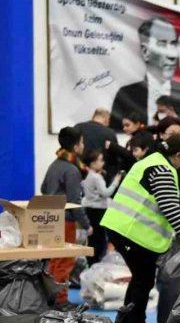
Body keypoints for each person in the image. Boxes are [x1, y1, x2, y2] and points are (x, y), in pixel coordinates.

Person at [102, 135, 180, 323]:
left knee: (141, 279)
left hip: (121, 228)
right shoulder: (163, 169)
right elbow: (168, 205)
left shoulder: (150, 161)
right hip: (131, 232)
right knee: (143, 281)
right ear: (179, 155)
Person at [109, 16, 180, 131]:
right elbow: (117, 133)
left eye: (174, 44)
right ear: (145, 52)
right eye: (162, 44)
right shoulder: (125, 96)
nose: (172, 55)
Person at [41, 126, 93, 307]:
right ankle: (60, 300)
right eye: (82, 142)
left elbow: (43, 189)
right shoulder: (72, 170)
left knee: (54, 261)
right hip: (65, 221)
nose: (83, 145)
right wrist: (87, 225)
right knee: (65, 260)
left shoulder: (54, 165)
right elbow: (74, 201)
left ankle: (50, 297)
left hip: (50, 218)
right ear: (77, 147)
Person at [82, 150, 122, 266]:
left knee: (93, 239)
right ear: (93, 163)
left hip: (89, 209)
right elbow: (106, 193)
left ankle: (91, 263)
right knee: (99, 240)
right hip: (98, 210)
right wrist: (116, 181)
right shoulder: (96, 177)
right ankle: (96, 263)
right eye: (100, 160)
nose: (102, 162)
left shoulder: (89, 175)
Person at [75, 108, 132, 181]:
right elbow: (114, 158)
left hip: (78, 171)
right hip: (100, 176)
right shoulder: (109, 133)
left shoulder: (78, 127)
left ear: (93, 116)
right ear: (106, 119)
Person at [156, 116, 180, 188]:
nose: (176, 138)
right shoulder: (154, 153)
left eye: (179, 135)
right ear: (161, 135)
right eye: (172, 134)